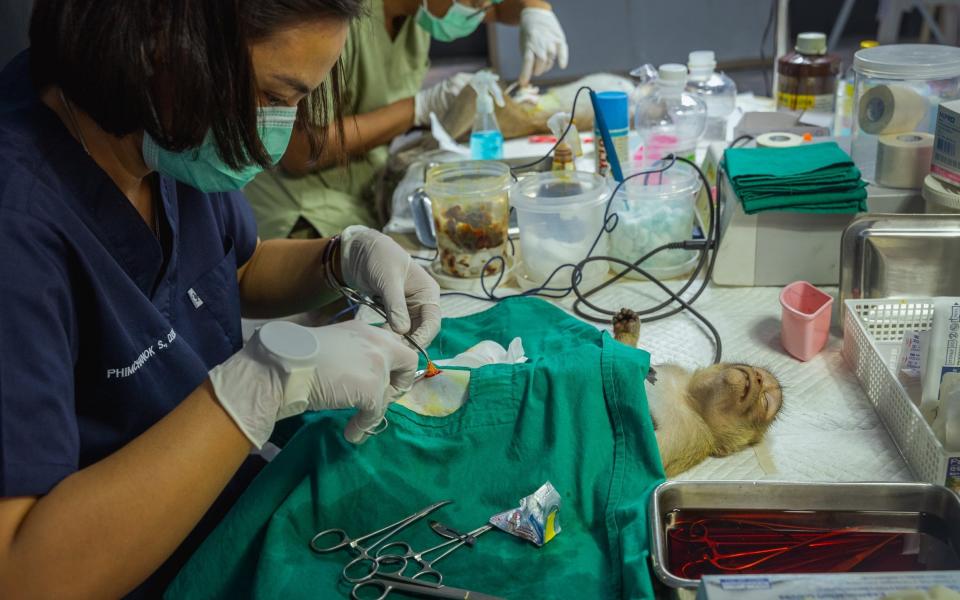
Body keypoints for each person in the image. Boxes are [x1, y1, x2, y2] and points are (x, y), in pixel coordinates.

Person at [0, 0, 441, 597]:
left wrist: (339, 259)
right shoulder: (19, 217)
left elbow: (232, 269)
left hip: (230, 514)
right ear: (160, 45)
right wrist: (259, 388)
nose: (282, 130)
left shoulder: (164, 132)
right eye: (275, 95)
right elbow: (22, 573)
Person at [246, 0, 570, 240]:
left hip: (360, 193)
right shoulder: (340, 22)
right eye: (474, 2)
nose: (481, 9)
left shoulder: (416, 15)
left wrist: (535, 9)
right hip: (302, 212)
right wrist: (418, 107)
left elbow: (499, 10)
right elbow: (299, 152)